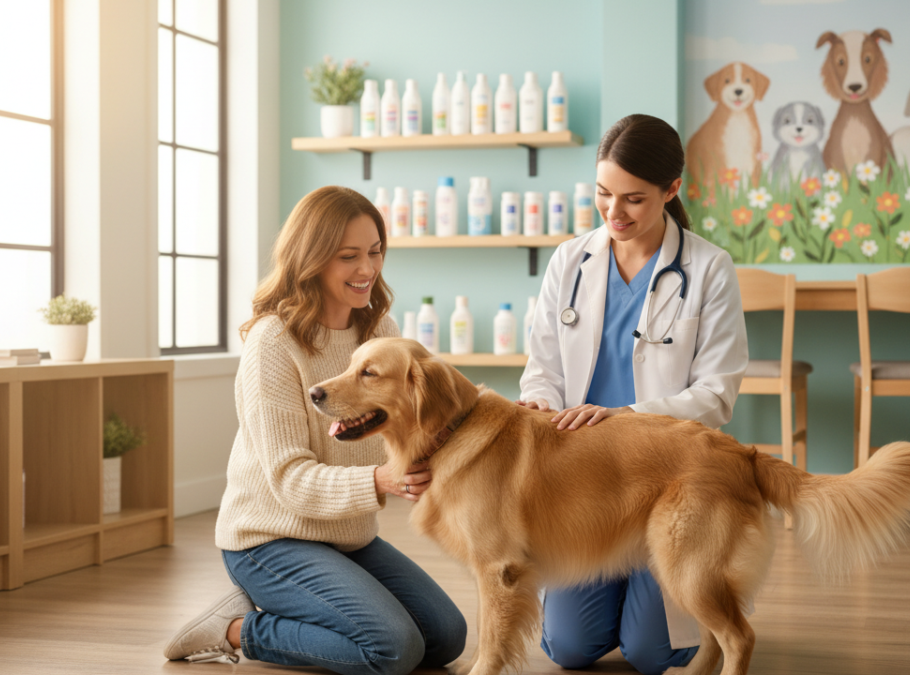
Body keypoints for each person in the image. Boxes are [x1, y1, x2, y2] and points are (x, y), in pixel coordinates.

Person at [163, 186, 466, 673]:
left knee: (446, 637)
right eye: (349, 256)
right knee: (393, 649)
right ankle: (238, 628)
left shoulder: (379, 333)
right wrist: (381, 480)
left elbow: (424, 416)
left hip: (347, 536)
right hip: (269, 541)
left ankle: (307, 613)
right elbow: (289, 481)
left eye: (374, 252)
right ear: (311, 259)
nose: (367, 269)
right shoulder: (273, 343)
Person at [518, 114, 749, 673]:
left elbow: (716, 394)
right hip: (580, 477)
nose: (614, 213)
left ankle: (683, 609)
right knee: (569, 649)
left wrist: (622, 416)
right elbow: (541, 366)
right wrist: (540, 402)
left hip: (662, 476)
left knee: (651, 652)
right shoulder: (570, 261)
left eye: (634, 199)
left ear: (672, 191)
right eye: (602, 194)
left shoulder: (709, 269)